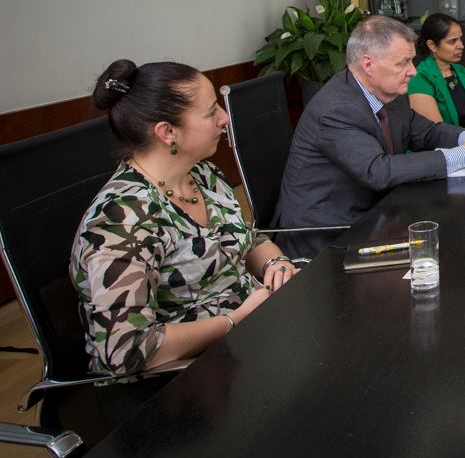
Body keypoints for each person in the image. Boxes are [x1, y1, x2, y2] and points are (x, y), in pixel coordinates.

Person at [71, 60, 297, 379]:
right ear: (167, 132)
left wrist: (276, 264)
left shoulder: (203, 175)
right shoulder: (123, 219)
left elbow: (247, 240)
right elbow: (126, 350)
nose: (224, 117)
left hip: (249, 340)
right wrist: (235, 320)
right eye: (210, 112)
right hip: (181, 380)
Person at [274, 16, 465, 228]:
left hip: (381, 214)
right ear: (368, 65)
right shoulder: (337, 109)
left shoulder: (390, 94)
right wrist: (463, 153)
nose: (412, 72)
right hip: (330, 230)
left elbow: (425, 132)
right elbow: (378, 171)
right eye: (403, 63)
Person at [408, 13, 465, 127]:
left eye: (460, 39)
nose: (461, 46)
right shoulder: (419, 79)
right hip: (447, 138)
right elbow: (437, 132)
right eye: (452, 41)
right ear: (432, 45)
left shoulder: (461, 72)